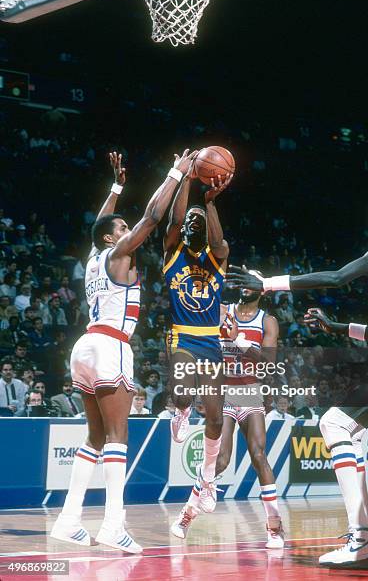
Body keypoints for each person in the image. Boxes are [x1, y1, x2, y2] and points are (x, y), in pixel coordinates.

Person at [227, 199, 368, 569]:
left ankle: (362, 541)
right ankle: (365, 541)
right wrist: (337, 328)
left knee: (335, 423)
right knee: (349, 429)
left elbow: (337, 277)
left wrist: (267, 284)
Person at [50, 149, 195, 553]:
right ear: (114, 237)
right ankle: (114, 524)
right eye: (123, 227)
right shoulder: (116, 253)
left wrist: (115, 187)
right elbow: (152, 217)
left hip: (86, 345)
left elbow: (100, 223)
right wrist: (173, 173)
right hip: (111, 343)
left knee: (95, 436)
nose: (130, 229)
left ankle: (68, 519)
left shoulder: (95, 255)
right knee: (117, 436)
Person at [171, 274, 284, 548]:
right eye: (243, 281)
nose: (245, 285)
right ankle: (187, 514)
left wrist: (239, 340)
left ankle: (275, 527)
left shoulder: (267, 321)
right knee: (219, 461)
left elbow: (269, 363)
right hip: (222, 392)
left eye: (251, 282)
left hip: (251, 391)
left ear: (262, 290)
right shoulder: (222, 310)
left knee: (259, 456)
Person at [163, 166, 232, 514]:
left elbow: (219, 243)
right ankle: (182, 409)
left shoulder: (217, 258)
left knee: (217, 418)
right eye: (190, 220)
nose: (192, 224)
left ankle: (207, 481)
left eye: (198, 222)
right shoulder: (172, 253)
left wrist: (209, 204)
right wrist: (188, 184)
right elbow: (174, 223)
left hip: (210, 342)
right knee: (182, 392)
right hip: (182, 335)